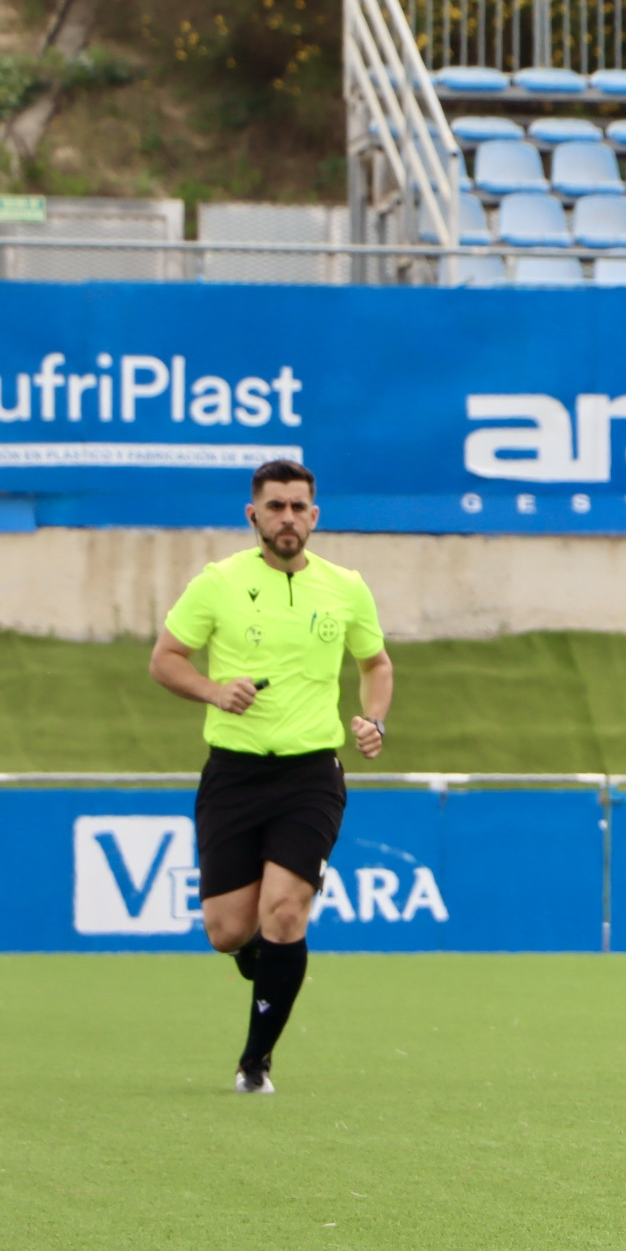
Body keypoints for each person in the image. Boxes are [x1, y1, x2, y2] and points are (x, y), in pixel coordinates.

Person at [150, 459, 391, 1095]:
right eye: (275, 506)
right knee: (228, 930)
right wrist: (211, 689)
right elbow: (165, 660)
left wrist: (373, 720)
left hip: (311, 773)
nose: (288, 517)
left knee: (285, 912)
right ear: (252, 514)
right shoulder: (217, 583)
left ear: (315, 515)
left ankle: (255, 1063)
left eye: (298, 506)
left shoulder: (346, 586)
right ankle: (266, 969)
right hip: (233, 773)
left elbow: (376, 662)